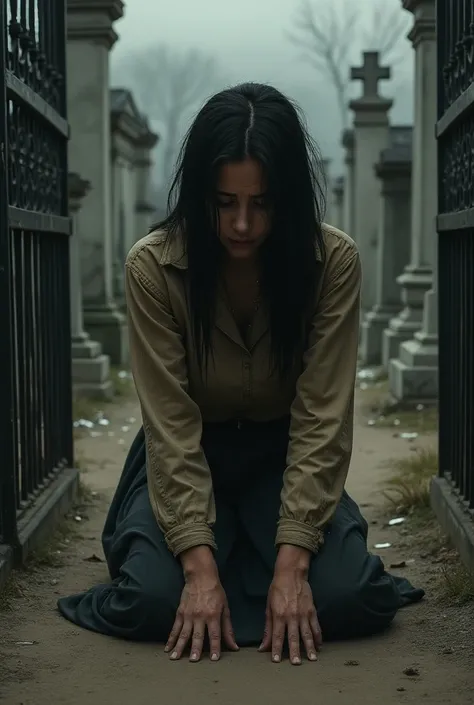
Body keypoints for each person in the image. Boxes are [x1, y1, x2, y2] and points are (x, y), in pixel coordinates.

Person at [58, 82, 424, 665]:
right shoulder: (153, 267)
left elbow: (323, 416)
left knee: (350, 596)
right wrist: (198, 569)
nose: (244, 225)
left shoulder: (332, 263)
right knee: (153, 601)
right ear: (201, 193)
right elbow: (170, 426)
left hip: (284, 456)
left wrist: (295, 559)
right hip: (186, 453)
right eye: (225, 202)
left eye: (263, 203)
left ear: (290, 199)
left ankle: (266, 569)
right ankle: (215, 571)